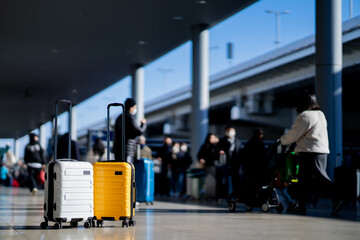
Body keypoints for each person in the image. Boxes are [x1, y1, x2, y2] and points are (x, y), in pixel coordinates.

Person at [279, 90, 344, 215]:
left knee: (319, 178)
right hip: (320, 151)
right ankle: (301, 205)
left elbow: (293, 135)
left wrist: (281, 140)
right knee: (304, 180)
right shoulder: (320, 114)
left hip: (309, 152)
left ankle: (338, 197)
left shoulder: (305, 116)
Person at [113, 98, 146, 163]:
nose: (135, 109)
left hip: (118, 149)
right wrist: (143, 124)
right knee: (128, 170)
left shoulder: (119, 117)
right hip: (127, 149)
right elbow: (139, 131)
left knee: (120, 169)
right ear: (131, 107)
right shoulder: (130, 117)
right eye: (135, 107)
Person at [218, 126, 242, 198]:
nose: (230, 133)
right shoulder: (222, 141)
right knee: (225, 180)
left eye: (232, 131)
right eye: (229, 131)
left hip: (235, 164)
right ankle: (225, 194)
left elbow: (240, 153)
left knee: (235, 180)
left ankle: (235, 194)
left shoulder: (237, 142)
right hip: (225, 163)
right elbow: (218, 149)